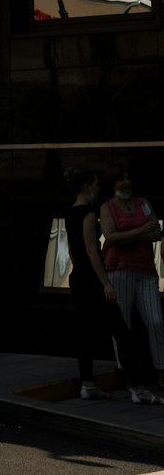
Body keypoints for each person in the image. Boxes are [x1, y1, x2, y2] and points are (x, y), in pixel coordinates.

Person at [64, 167, 142, 402]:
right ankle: (137, 387)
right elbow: (91, 250)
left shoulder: (70, 213)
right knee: (122, 332)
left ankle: (87, 384)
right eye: (96, 184)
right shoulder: (89, 213)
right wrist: (106, 283)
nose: (98, 189)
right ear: (87, 185)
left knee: (85, 332)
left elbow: (73, 251)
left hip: (78, 278)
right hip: (92, 279)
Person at [99, 165, 164, 404]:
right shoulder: (107, 207)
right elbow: (111, 237)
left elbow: (156, 232)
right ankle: (126, 374)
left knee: (156, 321)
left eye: (128, 178)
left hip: (146, 270)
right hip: (119, 270)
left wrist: (127, 235)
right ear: (112, 184)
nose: (126, 183)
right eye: (121, 179)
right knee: (122, 326)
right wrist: (140, 231)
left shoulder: (142, 203)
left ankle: (160, 371)